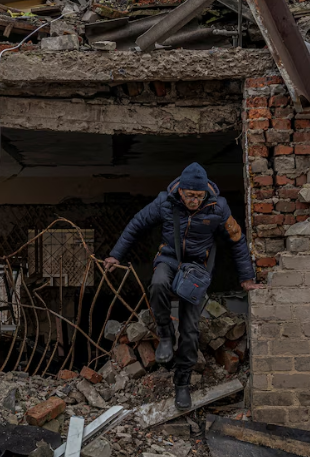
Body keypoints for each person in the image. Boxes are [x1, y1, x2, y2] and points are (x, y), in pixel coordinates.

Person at [104, 162, 262, 410]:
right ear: (181, 192)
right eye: (190, 196)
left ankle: (182, 385)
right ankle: (165, 336)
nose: (194, 201)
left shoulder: (217, 207)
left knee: (189, 331)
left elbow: (236, 239)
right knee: (157, 285)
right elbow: (136, 224)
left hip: (197, 268)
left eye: (199, 196)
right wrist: (116, 255)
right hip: (168, 259)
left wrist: (247, 277)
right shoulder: (164, 202)